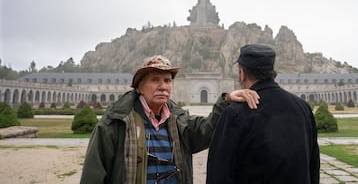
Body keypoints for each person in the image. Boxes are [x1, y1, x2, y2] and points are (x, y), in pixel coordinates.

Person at [80, 55, 259, 184]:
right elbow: (93, 175)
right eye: (155, 79)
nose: (163, 86)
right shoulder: (115, 123)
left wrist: (226, 100)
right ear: (140, 86)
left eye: (167, 80)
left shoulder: (179, 121)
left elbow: (207, 131)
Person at [206, 44, 320, 184]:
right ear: (272, 72)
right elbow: (313, 166)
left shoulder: (235, 113)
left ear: (242, 74)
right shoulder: (303, 108)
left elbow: (218, 175)